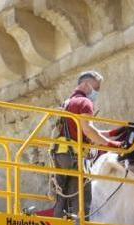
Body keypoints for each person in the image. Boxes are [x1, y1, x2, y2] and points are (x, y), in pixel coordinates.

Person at [50, 71, 122, 217]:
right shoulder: (84, 103)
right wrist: (112, 146)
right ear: (85, 84)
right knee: (81, 201)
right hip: (74, 157)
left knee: (62, 198)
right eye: (96, 88)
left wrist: (112, 134)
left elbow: (81, 131)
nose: (97, 92)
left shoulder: (67, 103)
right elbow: (88, 130)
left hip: (61, 156)